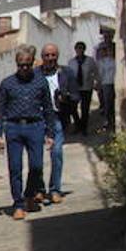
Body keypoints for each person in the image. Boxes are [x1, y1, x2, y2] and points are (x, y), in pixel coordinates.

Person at [0, 44, 57, 221]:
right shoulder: (7, 83)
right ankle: (18, 204)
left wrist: (50, 134)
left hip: (35, 126)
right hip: (13, 127)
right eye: (21, 65)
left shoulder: (40, 82)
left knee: (36, 166)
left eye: (27, 64)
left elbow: (48, 109)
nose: (24, 68)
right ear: (16, 64)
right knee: (15, 167)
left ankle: (30, 194)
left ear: (32, 63)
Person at [36, 43, 74, 202]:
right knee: (36, 156)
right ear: (42, 57)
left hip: (57, 117)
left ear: (57, 56)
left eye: (53, 55)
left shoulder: (66, 73)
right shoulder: (35, 74)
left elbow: (76, 96)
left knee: (56, 152)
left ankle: (55, 189)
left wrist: (65, 98)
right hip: (38, 118)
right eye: (47, 55)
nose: (50, 58)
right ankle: (38, 189)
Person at [69, 40, 100, 136]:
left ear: (84, 50)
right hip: (75, 88)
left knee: (85, 109)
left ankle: (84, 128)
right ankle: (78, 124)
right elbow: (69, 75)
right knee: (73, 108)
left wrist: (97, 83)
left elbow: (96, 72)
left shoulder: (90, 61)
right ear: (75, 50)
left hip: (87, 87)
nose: (79, 50)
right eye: (77, 48)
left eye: (81, 48)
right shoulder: (72, 62)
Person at [95, 29, 117, 132]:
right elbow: (99, 72)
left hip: (113, 81)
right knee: (107, 103)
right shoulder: (100, 58)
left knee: (112, 103)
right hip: (105, 82)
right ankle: (108, 121)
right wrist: (98, 82)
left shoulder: (115, 57)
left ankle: (112, 121)